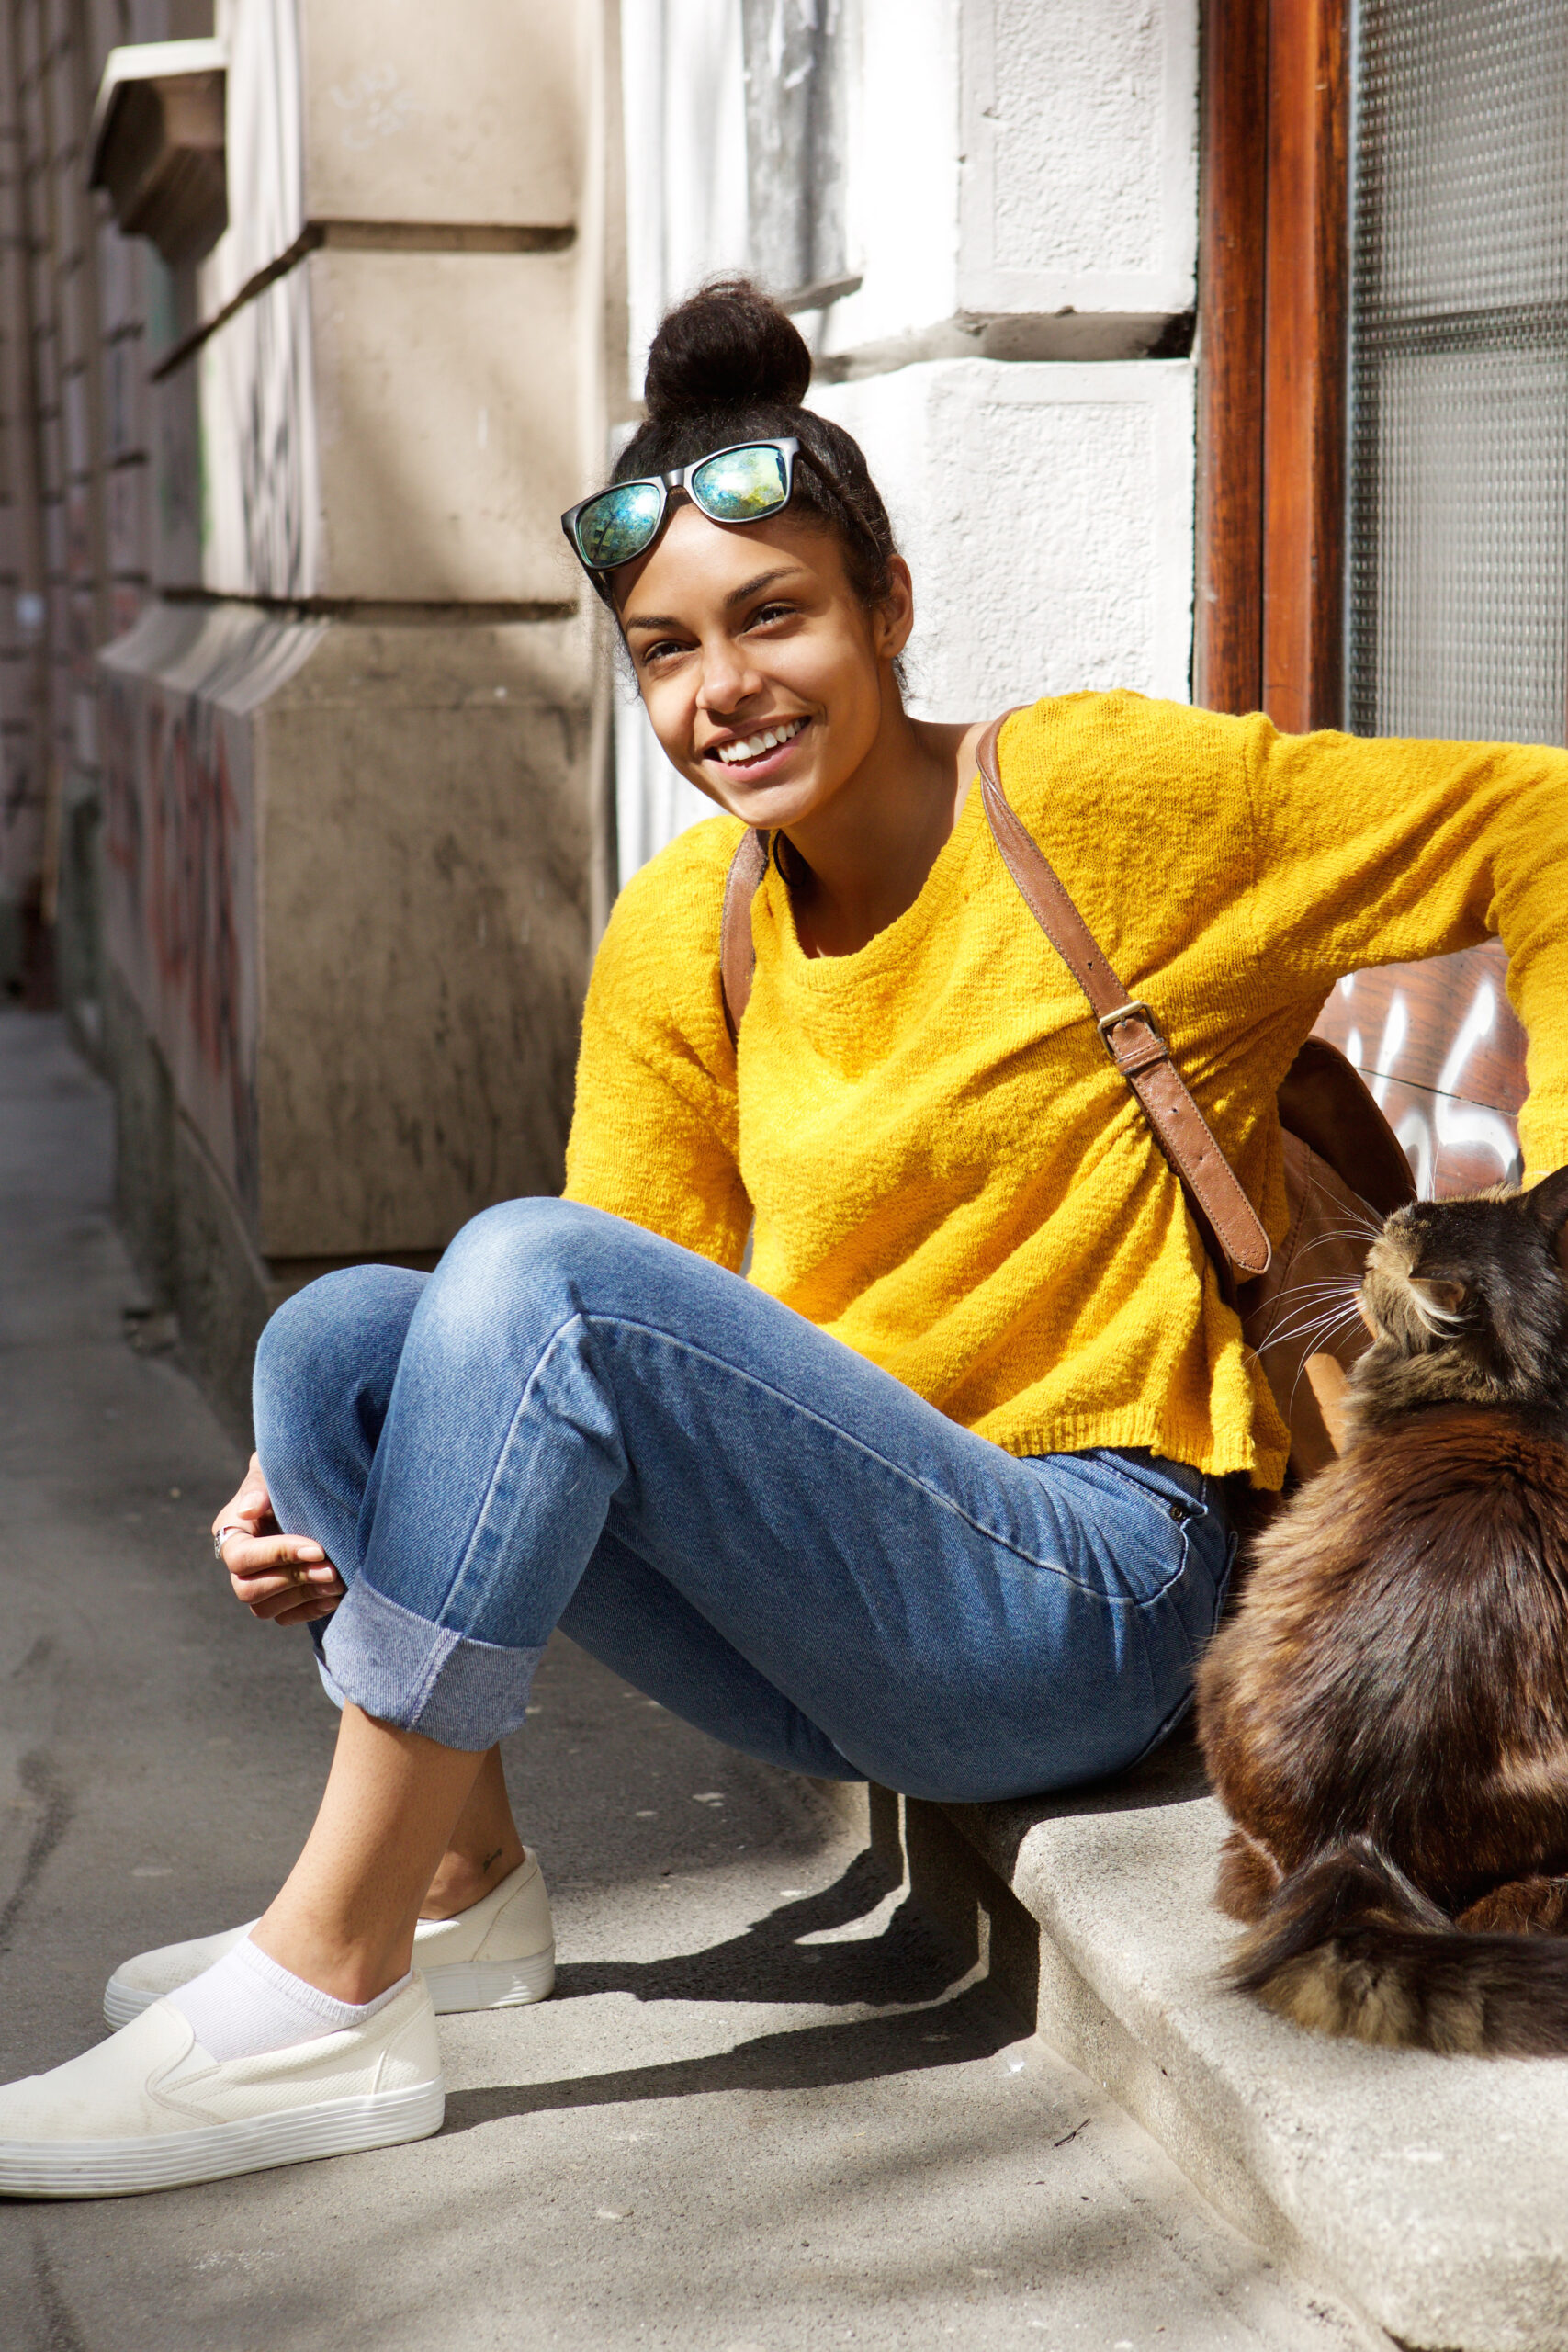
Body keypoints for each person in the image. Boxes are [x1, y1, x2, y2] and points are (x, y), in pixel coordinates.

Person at [3, 280, 1565, 2198]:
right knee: (343, 1341)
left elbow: (1539, 827)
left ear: (886, 607)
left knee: (524, 1270)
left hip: (1086, 1590)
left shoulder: (1096, 803)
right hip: (852, 1583)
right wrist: (327, 1475)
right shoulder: (692, 922)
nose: (717, 691)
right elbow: (578, 1326)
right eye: (663, 651)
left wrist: (1538, 1219)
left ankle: (320, 1980)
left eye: (772, 616)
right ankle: (456, 1880)